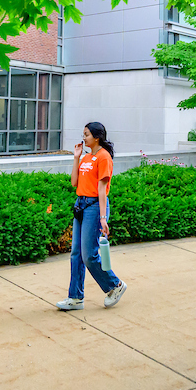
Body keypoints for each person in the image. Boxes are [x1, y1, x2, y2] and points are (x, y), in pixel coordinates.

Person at [56, 122, 127, 311]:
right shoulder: (86, 157)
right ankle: (75, 297)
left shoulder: (104, 157)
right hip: (80, 205)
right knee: (76, 254)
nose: (83, 137)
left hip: (95, 208)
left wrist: (103, 217)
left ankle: (115, 285)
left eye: (86, 134)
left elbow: (102, 189)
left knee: (89, 255)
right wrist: (76, 158)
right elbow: (74, 182)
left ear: (96, 137)